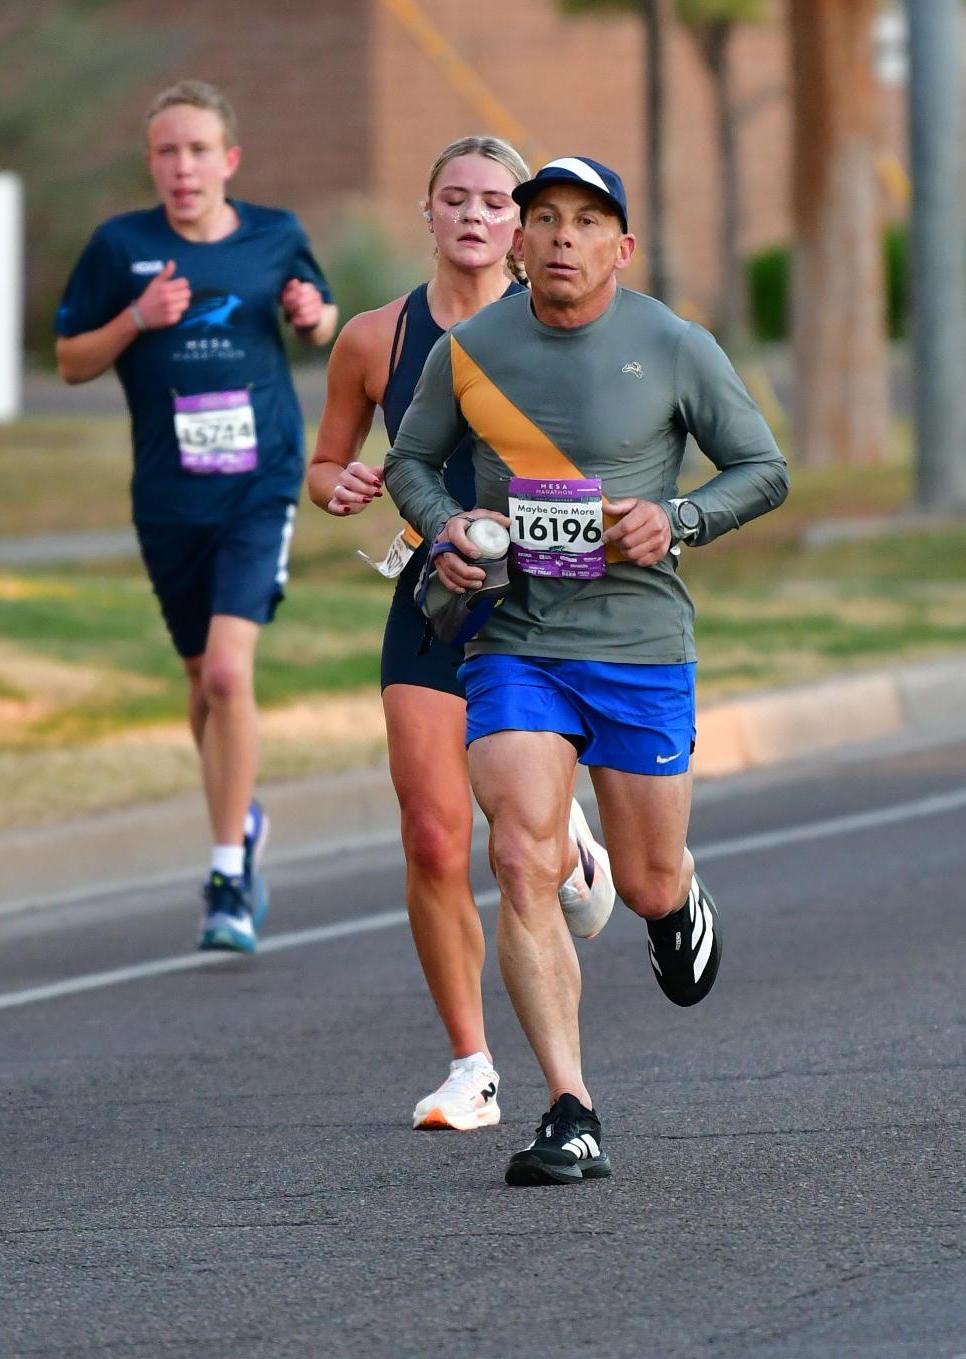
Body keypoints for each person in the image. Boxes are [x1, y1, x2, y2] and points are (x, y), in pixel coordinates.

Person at [386, 153, 788, 1183]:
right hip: (515, 636)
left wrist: (680, 517)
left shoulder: (673, 344)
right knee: (521, 857)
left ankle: (675, 894)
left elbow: (762, 468)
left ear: (622, 246)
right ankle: (570, 1109)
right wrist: (448, 526)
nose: (563, 237)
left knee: (643, 879)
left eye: (587, 221)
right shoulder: (470, 350)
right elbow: (411, 462)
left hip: (637, 640)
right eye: (546, 219)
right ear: (519, 242)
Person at [308, 136, 615, 1133]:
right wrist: (342, 485)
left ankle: (571, 845)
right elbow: (325, 465)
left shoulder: (567, 326)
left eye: (494, 201)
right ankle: (470, 1067)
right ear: (428, 214)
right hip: (434, 594)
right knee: (434, 833)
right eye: (456, 199)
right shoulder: (375, 339)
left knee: (518, 843)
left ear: (521, 225)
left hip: (544, 599)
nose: (474, 216)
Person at [55, 81, 337, 953]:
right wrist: (136, 319)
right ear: (152, 164)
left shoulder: (274, 234)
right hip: (169, 494)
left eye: (199, 151)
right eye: (167, 152)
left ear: (230, 160)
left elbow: (321, 321)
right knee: (197, 680)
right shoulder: (121, 246)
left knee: (224, 674)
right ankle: (239, 814)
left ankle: (226, 878)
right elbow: (70, 360)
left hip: (259, 485)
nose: (183, 167)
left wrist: (312, 316)